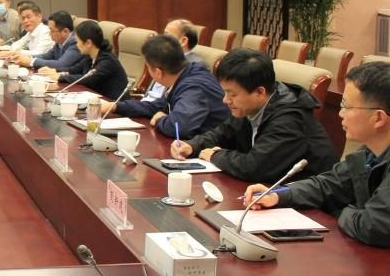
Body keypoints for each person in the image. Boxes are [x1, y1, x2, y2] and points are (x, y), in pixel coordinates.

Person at [241, 62, 390, 247]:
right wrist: (279, 195)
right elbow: (327, 184)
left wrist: (340, 210)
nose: (340, 113)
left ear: (378, 118)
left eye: (347, 106)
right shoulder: (369, 152)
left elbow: (373, 227)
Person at [172, 48, 336, 184]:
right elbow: (223, 133)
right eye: (225, 92)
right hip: (268, 191)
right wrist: (192, 145)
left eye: (232, 94)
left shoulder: (290, 118)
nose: (225, 100)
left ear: (259, 92)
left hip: (307, 203)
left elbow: (255, 167)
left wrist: (216, 156)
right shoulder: (249, 106)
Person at [107, 34, 227, 138]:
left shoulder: (194, 87)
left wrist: (161, 119)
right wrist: (115, 107)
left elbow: (179, 128)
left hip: (217, 149)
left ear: (158, 72)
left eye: (148, 67)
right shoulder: (185, 74)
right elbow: (157, 106)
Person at [57, 20, 129, 100]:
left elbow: (88, 80)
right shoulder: (90, 56)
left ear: (88, 43)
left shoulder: (107, 60)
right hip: (97, 101)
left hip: (113, 104)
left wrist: (60, 77)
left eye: (77, 42)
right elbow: (74, 69)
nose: (76, 45)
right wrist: (53, 71)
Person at [12, 10, 83, 73]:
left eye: (52, 31)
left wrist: (31, 62)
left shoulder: (75, 43)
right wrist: (26, 57)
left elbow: (61, 64)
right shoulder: (59, 43)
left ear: (65, 31)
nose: (49, 34)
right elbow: (45, 56)